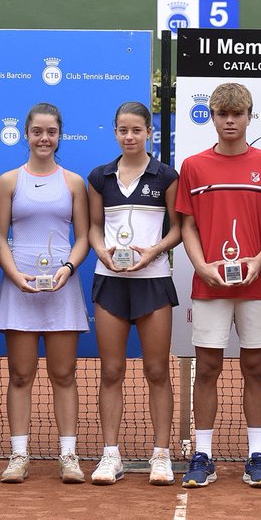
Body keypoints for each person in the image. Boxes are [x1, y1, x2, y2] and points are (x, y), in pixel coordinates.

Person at [176, 82, 261, 489]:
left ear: (249, 116)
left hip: (257, 286)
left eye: (237, 114)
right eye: (222, 114)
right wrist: (201, 265)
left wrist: (259, 260)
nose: (230, 121)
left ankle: (257, 455)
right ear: (213, 117)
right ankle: (202, 455)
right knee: (207, 368)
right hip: (210, 286)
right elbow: (187, 223)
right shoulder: (193, 166)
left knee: (255, 369)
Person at [0, 102, 91, 484]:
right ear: (26, 134)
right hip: (20, 289)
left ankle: (68, 455)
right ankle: (19, 455)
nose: (44, 138)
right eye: (37, 131)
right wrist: (15, 274)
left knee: (64, 374)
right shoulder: (8, 182)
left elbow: (83, 237)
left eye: (51, 132)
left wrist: (68, 268)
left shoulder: (73, 182)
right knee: (20, 375)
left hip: (61, 290)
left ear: (59, 135)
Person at [86, 102, 182, 486]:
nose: (130, 137)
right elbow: (93, 227)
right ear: (115, 132)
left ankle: (161, 454)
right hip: (109, 281)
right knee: (111, 371)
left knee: (157, 370)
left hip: (153, 280)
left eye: (137, 130)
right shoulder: (100, 177)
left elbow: (176, 229)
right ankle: (111, 455)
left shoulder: (166, 176)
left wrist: (154, 252)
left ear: (149, 134)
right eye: (123, 130)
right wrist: (103, 252)